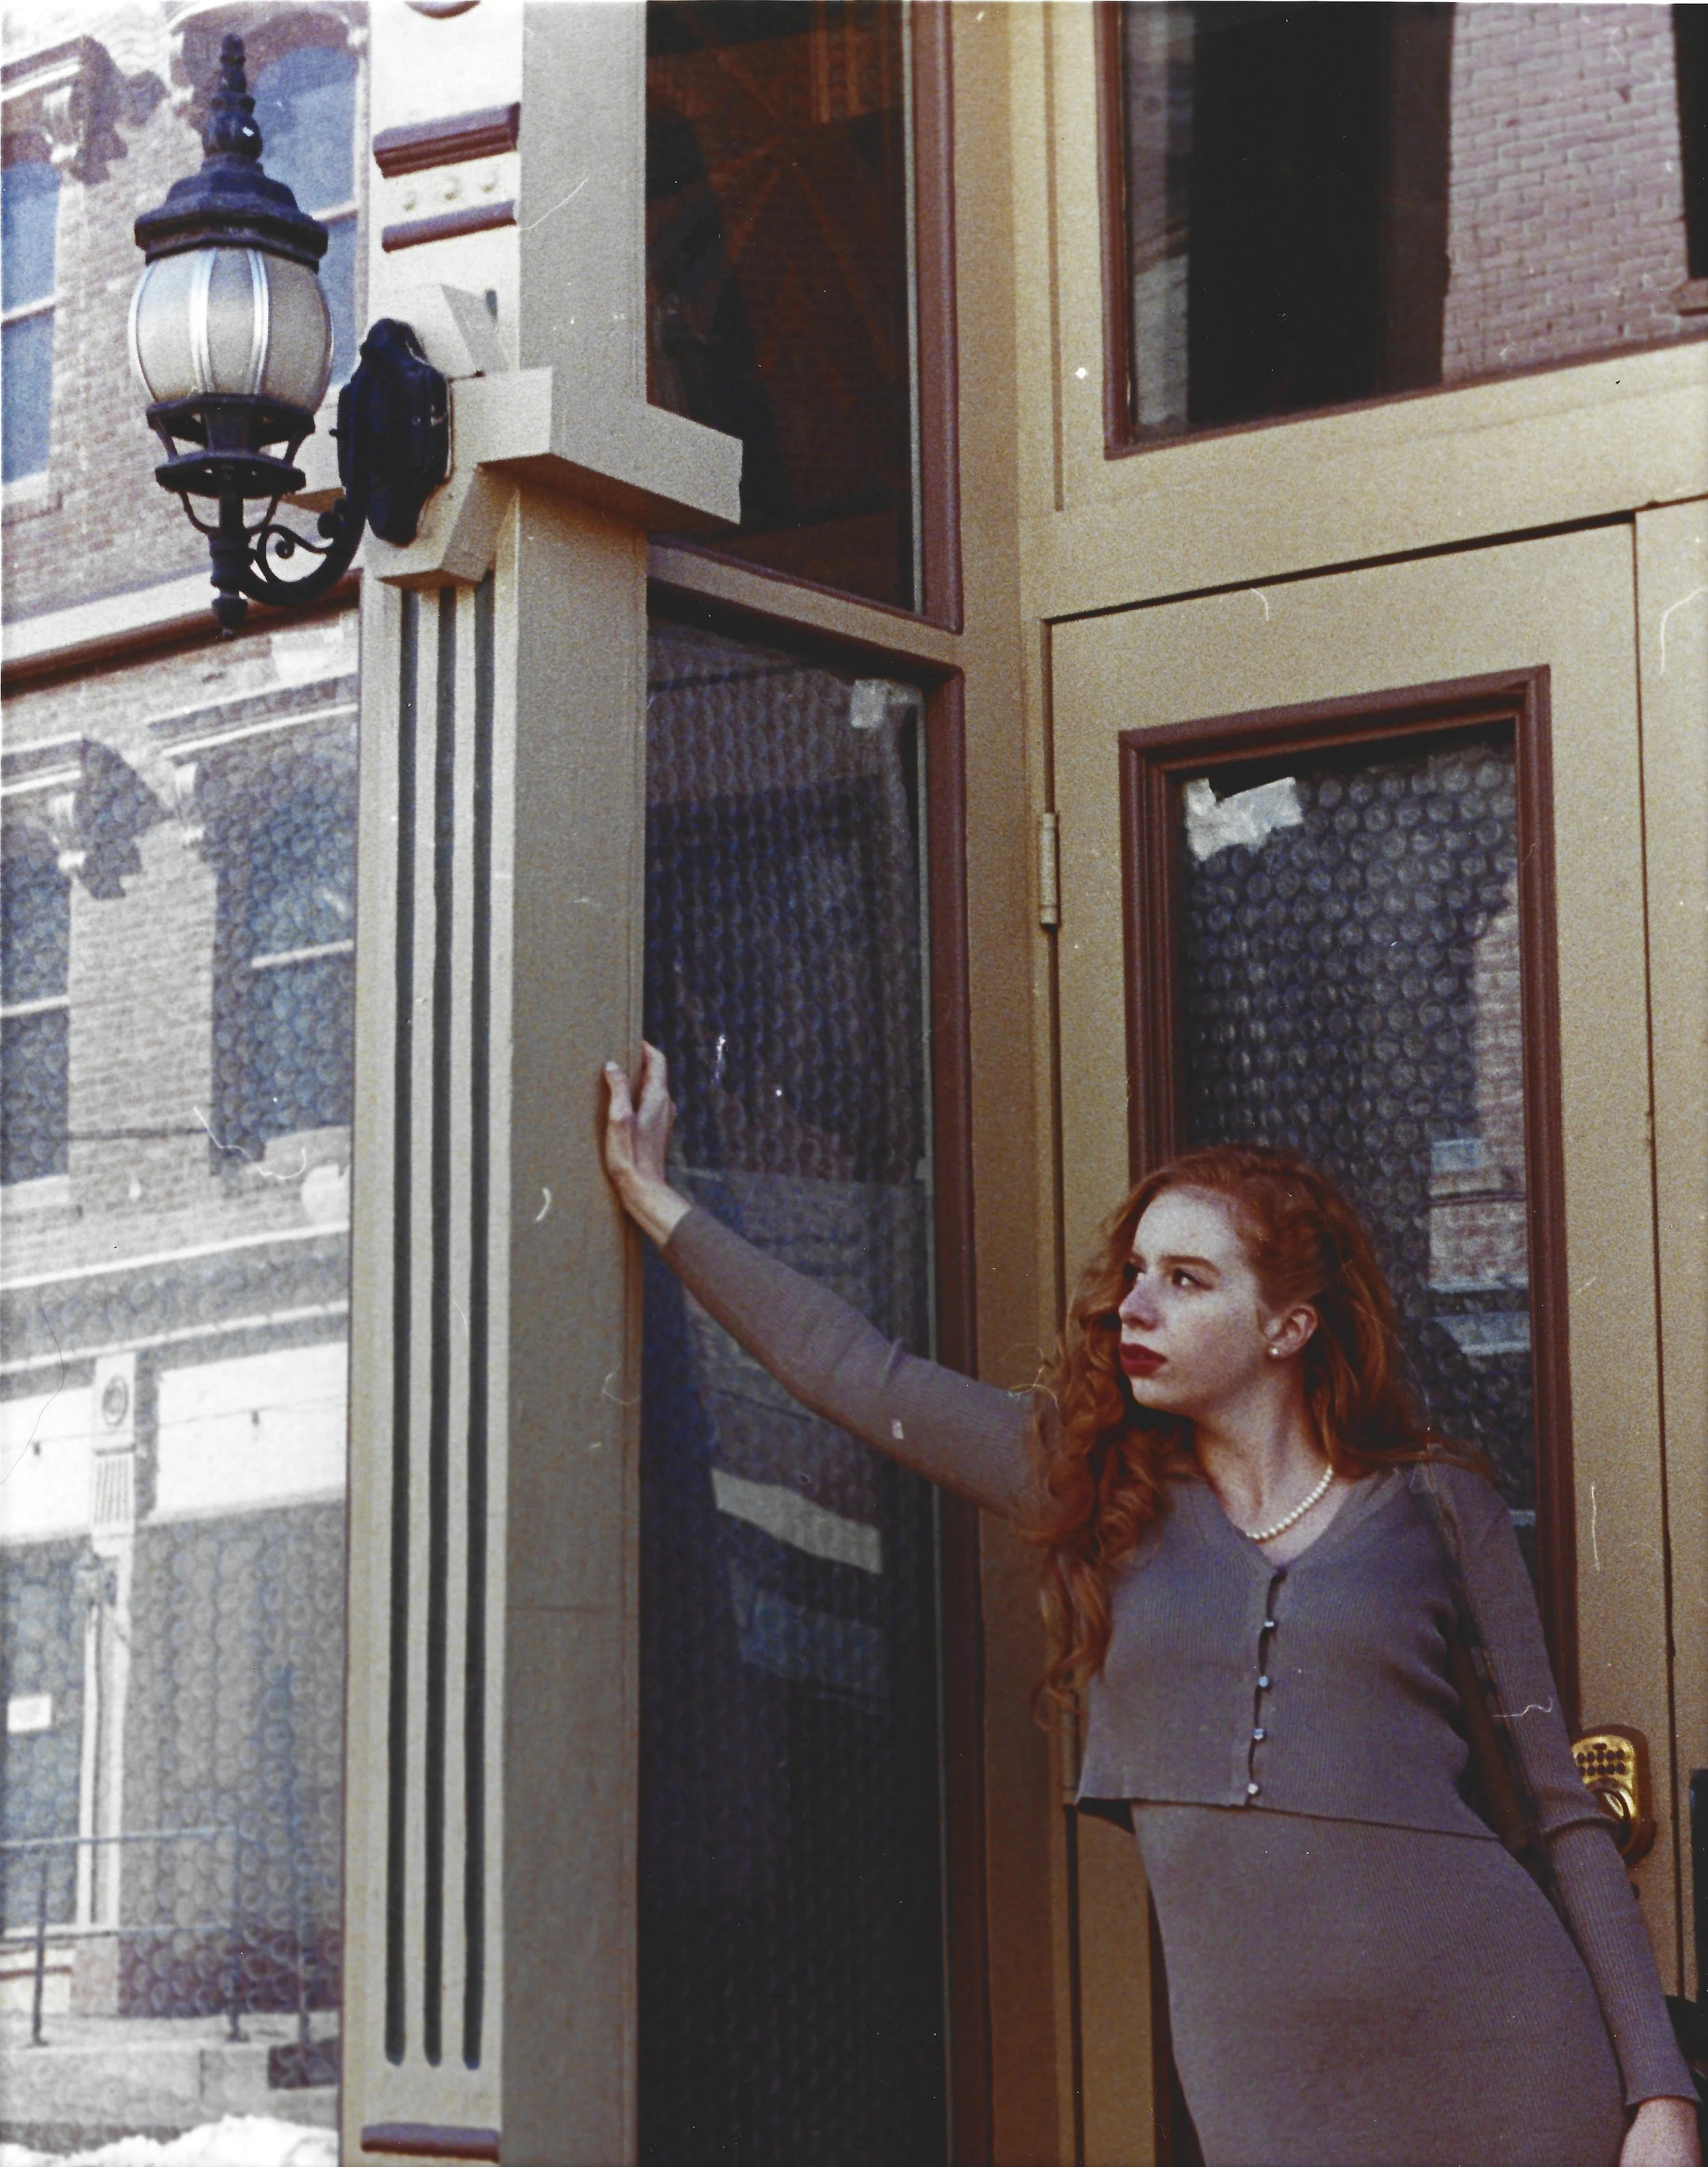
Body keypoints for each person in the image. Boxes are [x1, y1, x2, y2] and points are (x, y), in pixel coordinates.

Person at [603, 1042, 1700, 2167]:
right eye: (1135, 1272)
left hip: (1511, 2049)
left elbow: (1564, 1813)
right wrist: (657, 1198)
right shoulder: (1090, 1489)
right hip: (1270, 2084)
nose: (1135, 1304)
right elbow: (851, 1367)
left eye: (1187, 1279)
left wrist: (1661, 2098)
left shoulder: (1437, 1501)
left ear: (1289, 1326)